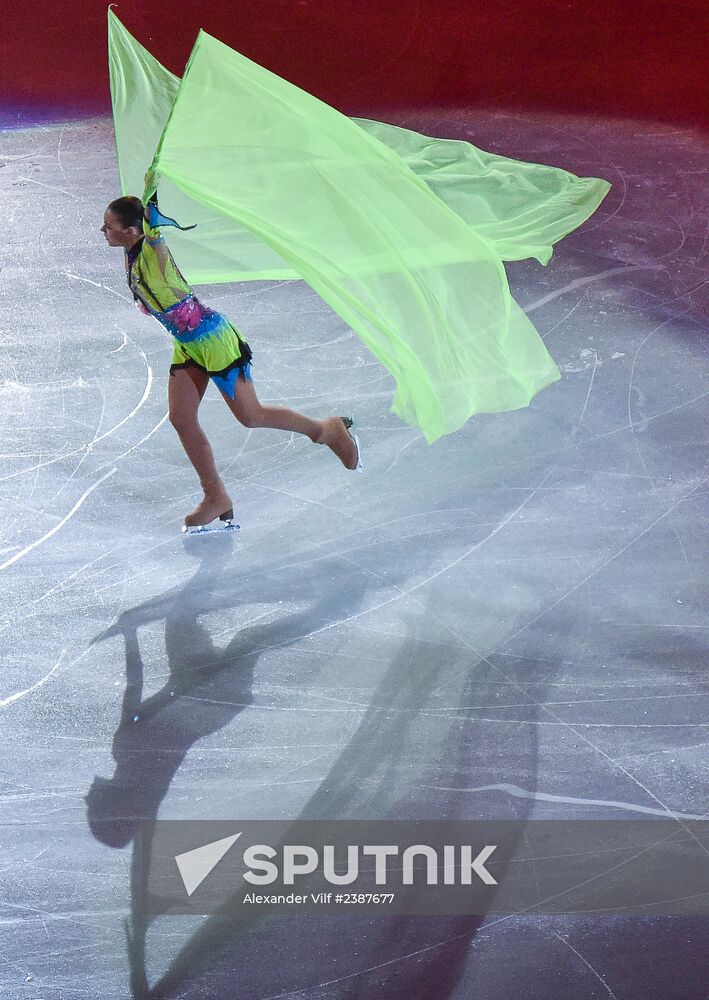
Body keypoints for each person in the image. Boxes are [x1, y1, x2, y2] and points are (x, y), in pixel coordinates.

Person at [101, 195, 361, 531]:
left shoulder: (151, 250)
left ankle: (326, 430)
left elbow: (158, 246)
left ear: (132, 230)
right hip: (188, 344)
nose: (103, 231)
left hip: (214, 340)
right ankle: (215, 497)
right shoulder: (131, 251)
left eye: (109, 227)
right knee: (181, 418)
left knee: (251, 416)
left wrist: (154, 234)